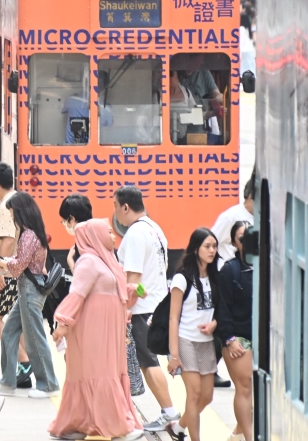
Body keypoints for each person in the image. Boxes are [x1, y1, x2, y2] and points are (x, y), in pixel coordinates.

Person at [48, 219, 143, 441]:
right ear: (95, 236)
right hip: (93, 331)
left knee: (100, 373)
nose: (113, 236)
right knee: (99, 374)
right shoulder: (89, 262)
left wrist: (132, 290)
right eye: (108, 232)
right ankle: (117, 427)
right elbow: (77, 294)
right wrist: (62, 323)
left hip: (108, 330)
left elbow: (112, 291)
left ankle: (77, 425)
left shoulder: (107, 261)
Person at [113, 185, 178, 433]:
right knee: (147, 360)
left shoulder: (136, 234)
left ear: (126, 207)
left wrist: (126, 308)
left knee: (148, 362)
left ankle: (169, 412)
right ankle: (167, 412)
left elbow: (133, 280)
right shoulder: (154, 228)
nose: (115, 211)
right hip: (157, 303)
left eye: (115, 205)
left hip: (141, 308)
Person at [0, 191, 60, 398]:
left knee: (35, 338)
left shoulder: (29, 236)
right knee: (9, 332)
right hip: (25, 290)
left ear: (20, 212)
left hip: (29, 292)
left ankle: (48, 384)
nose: (12, 218)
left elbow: (18, 267)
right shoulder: (35, 233)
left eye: (12, 214)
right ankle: (8, 380)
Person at [167, 228, 220, 441]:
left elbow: (221, 309)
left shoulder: (215, 276)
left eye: (215, 246)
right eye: (207, 246)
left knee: (207, 396)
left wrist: (215, 324)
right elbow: (173, 318)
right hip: (186, 340)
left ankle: (178, 427)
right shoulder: (182, 278)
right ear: (196, 249)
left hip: (207, 342)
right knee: (195, 392)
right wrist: (174, 355)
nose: (212, 250)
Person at [0, 163, 32, 385]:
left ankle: (24, 362)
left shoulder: (6, 206)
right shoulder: (19, 200)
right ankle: (24, 370)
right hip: (19, 270)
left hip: (9, 273)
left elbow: (8, 239)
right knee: (14, 322)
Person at [216, 221, 253, 441]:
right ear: (233, 243)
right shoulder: (230, 270)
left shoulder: (270, 265)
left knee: (260, 390)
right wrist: (230, 339)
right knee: (245, 386)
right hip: (238, 336)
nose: (246, 241)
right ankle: (250, 437)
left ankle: (239, 431)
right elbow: (223, 309)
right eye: (241, 237)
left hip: (267, 337)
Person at [212, 174, 254, 266]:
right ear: (251, 196)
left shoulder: (263, 218)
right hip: (232, 271)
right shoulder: (230, 216)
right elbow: (211, 240)